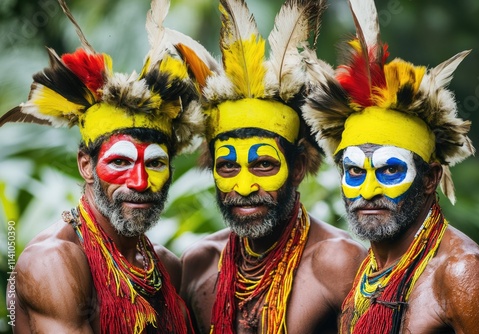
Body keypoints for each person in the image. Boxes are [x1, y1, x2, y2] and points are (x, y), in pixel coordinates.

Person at [1, 0, 207, 332]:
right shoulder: (55, 263)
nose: (139, 181)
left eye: (155, 163)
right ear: (86, 164)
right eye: (120, 162)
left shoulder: (166, 266)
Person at [301, 0, 479, 333]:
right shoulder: (367, 268)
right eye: (354, 172)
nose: (368, 191)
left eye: (390, 170)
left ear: (430, 178)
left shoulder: (461, 272)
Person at [176, 0, 367, 333]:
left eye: (264, 164)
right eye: (228, 167)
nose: (245, 187)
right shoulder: (199, 264)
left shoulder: (337, 263)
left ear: (296, 168)